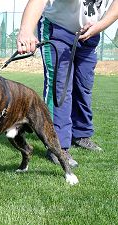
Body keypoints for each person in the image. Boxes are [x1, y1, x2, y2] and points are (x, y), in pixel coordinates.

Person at [16, 0, 118, 167]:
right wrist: (26, 30)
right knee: (60, 87)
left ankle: (81, 134)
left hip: (89, 33)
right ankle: (57, 146)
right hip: (57, 28)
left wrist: (100, 25)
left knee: (83, 86)